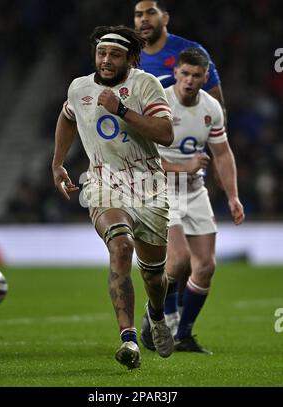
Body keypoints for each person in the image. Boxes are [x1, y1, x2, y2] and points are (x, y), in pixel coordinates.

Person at [52, 25, 175, 369]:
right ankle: (129, 340)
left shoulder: (145, 85)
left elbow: (165, 134)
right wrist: (58, 162)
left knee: (154, 275)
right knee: (120, 247)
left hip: (149, 186)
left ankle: (157, 314)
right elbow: (67, 117)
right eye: (101, 53)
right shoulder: (80, 87)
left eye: (115, 55)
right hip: (104, 182)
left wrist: (121, 110)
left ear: (131, 59)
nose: (106, 60)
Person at [140, 48, 245, 353]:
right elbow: (143, 156)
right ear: (175, 73)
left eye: (196, 75)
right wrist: (181, 167)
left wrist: (233, 196)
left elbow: (222, 153)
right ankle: (157, 315)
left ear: (204, 77)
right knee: (178, 260)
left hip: (194, 189)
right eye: (184, 73)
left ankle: (182, 333)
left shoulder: (211, 108)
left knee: (206, 266)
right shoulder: (158, 102)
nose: (189, 80)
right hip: (160, 187)